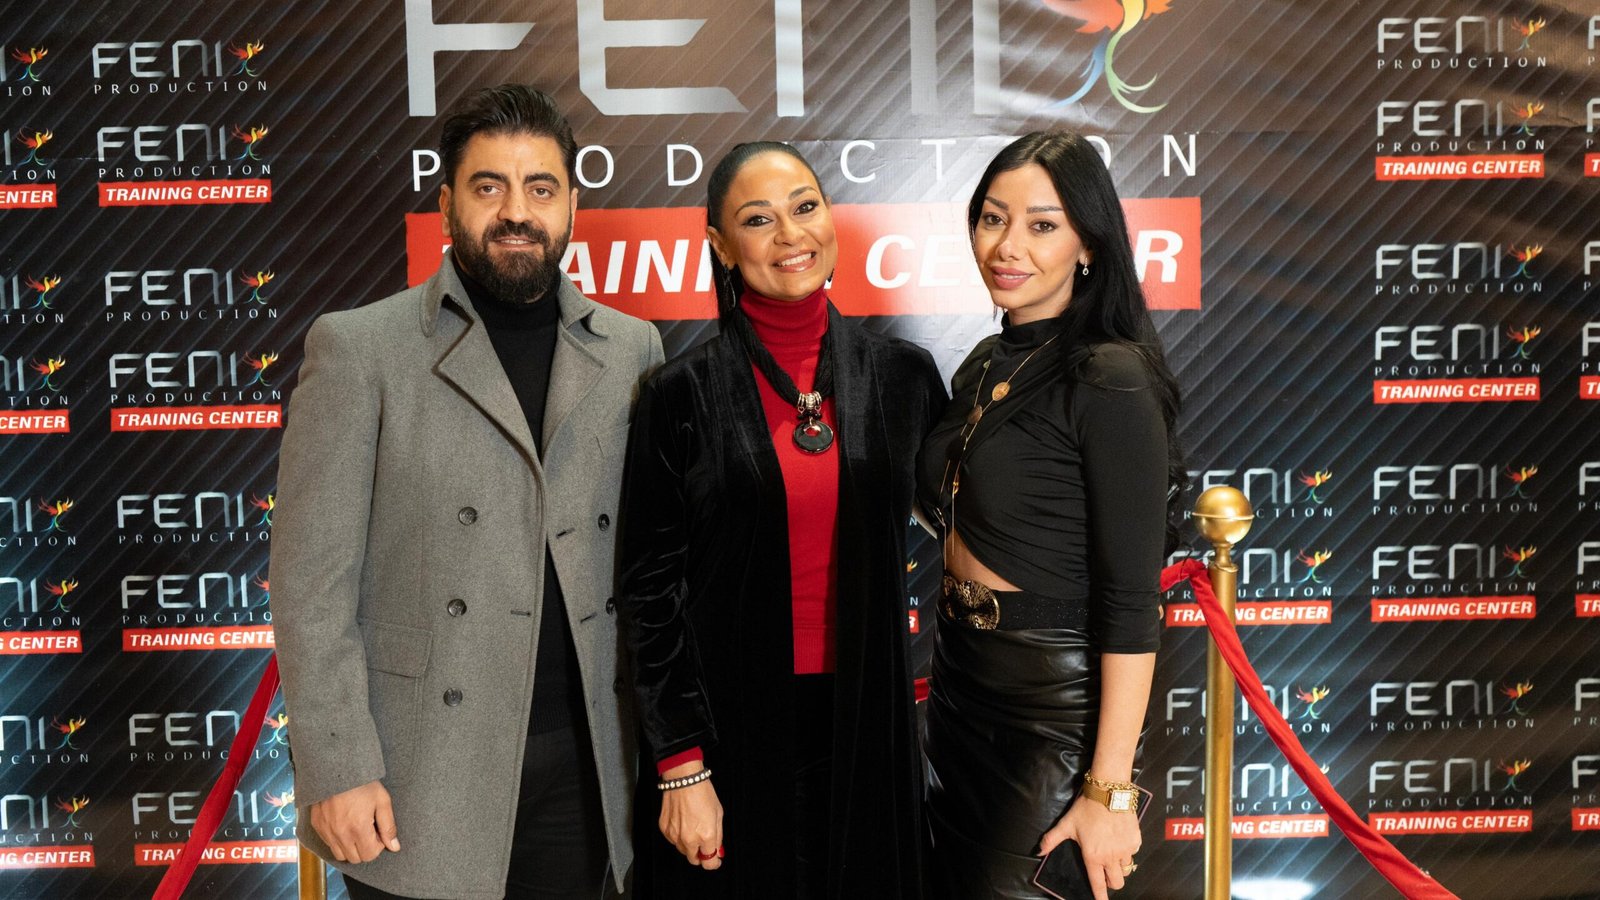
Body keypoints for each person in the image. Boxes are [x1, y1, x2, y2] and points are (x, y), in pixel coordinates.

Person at [270, 84, 662, 900]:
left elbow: (655, 565)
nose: (516, 211)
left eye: (540, 188)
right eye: (490, 186)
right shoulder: (360, 348)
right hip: (420, 775)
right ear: (448, 203)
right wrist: (338, 765)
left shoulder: (631, 349)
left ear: (572, 205)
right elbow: (310, 585)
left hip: (591, 770)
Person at [616, 141, 945, 899]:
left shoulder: (904, 377)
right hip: (729, 731)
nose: (790, 234)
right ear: (720, 245)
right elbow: (649, 594)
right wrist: (681, 767)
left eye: (805, 207)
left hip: (870, 722)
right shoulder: (679, 394)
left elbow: (976, 521)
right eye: (758, 219)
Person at [915, 131, 1186, 900]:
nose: (1008, 246)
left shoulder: (1110, 377)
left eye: (1042, 225)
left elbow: (1131, 599)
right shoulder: (985, 361)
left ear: (1088, 244)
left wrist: (1109, 790)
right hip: (959, 692)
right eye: (992, 218)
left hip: (1050, 716)